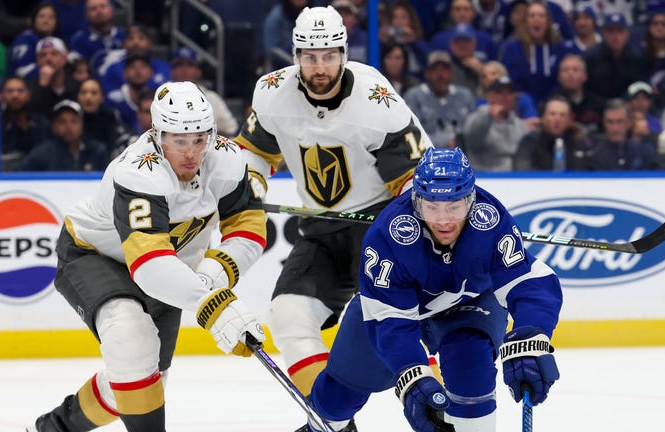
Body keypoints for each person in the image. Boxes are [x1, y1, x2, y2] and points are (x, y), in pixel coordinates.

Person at [26, 81, 267, 431]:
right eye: (178, 141)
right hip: (95, 255)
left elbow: (248, 228)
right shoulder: (139, 172)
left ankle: (51, 428)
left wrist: (212, 276)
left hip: (173, 268)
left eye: (200, 139)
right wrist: (213, 304)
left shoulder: (226, 159)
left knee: (140, 383)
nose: (191, 153)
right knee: (130, 338)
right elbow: (150, 264)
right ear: (157, 135)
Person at [233, 5, 431, 415]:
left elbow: (414, 178)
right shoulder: (271, 92)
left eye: (328, 56)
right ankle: (331, 420)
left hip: (380, 227)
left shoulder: (377, 100)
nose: (319, 67)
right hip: (319, 228)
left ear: (343, 54)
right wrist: (251, 187)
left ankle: (439, 412)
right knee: (287, 315)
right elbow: (254, 152)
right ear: (295, 57)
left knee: (392, 324)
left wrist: (414, 224)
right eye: (309, 57)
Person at [299, 147, 563, 432]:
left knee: (471, 363)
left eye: (454, 206)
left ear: (471, 199)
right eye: (432, 206)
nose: (444, 219)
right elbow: (390, 320)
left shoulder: (490, 220)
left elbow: (528, 282)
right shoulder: (389, 234)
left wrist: (530, 334)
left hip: (469, 303)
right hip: (391, 312)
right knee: (341, 392)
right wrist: (413, 378)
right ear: (416, 201)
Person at [403, 50, 476, 148]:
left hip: (464, 155)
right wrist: (444, 142)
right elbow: (411, 134)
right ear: (427, 73)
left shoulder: (465, 95)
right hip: (428, 155)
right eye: (435, 69)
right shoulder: (414, 96)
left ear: (451, 73)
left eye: (444, 69)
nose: (440, 74)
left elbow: (475, 131)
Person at [20, 99, 109, 171]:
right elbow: (19, 177)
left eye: (74, 121)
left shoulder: (97, 151)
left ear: (82, 125)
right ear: (54, 127)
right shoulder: (42, 153)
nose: (68, 127)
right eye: (62, 122)